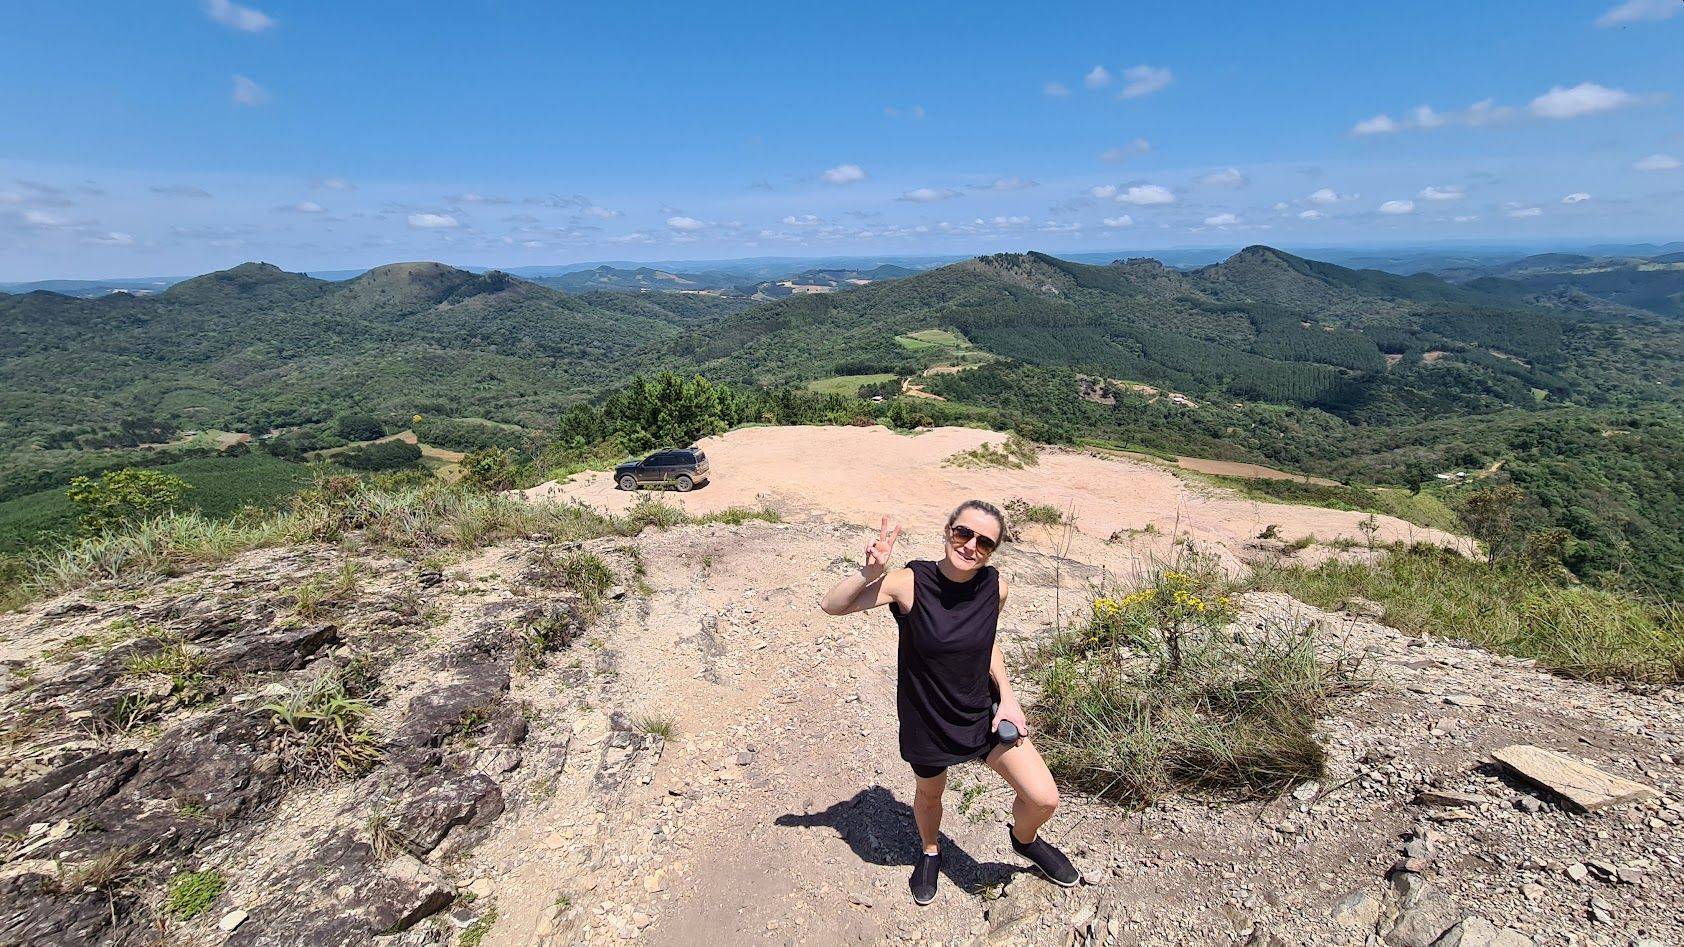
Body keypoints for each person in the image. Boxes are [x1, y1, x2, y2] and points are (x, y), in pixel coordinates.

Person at [820, 500, 1080, 905]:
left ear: (992, 550)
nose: (970, 545)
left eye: (984, 542)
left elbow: (987, 643)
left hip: (983, 713)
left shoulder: (996, 586)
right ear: (947, 530)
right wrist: (869, 574)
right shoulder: (910, 581)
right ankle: (930, 851)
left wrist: (1008, 699)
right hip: (927, 718)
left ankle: (1024, 840)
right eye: (963, 533)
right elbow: (832, 606)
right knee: (930, 796)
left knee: (1043, 796)